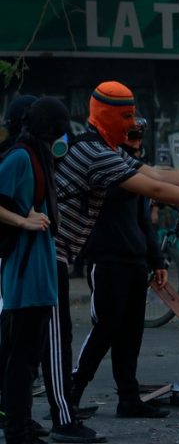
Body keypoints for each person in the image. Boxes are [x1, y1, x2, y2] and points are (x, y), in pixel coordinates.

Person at [45, 81, 179, 443]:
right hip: (59, 255)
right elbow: (155, 189)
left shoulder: (109, 149)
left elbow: (157, 175)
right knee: (66, 337)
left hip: (114, 257)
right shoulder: (95, 153)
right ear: (106, 116)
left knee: (122, 331)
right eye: (126, 116)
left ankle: (122, 399)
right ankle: (63, 411)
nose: (132, 124)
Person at [70, 118, 170, 420]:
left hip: (135, 261)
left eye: (140, 137)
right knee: (106, 328)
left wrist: (157, 260)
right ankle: (70, 394)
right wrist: (144, 179)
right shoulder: (103, 162)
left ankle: (129, 398)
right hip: (107, 260)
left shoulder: (136, 170)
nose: (137, 143)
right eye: (132, 137)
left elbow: (143, 221)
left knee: (131, 334)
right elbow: (111, 195)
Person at [0, 96, 69, 444]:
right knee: (21, 362)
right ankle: (16, 430)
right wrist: (23, 220)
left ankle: (22, 423)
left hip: (39, 275)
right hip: (24, 276)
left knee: (27, 362)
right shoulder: (21, 157)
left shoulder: (38, 155)